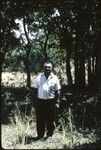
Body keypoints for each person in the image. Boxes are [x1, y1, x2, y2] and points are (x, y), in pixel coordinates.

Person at [33, 61, 61, 140]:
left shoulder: (55, 78)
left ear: (51, 68)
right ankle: (40, 135)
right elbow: (34, 90)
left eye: (49, 67)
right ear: (43, 68)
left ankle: (49, 135)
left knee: (50, 119)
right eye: (46, 67)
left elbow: (58, 91)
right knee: (40, 119)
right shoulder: (39, 77)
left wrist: (58, 102)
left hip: (51, 102)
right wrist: (34, 102)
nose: (47, 68)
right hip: (40, 101)